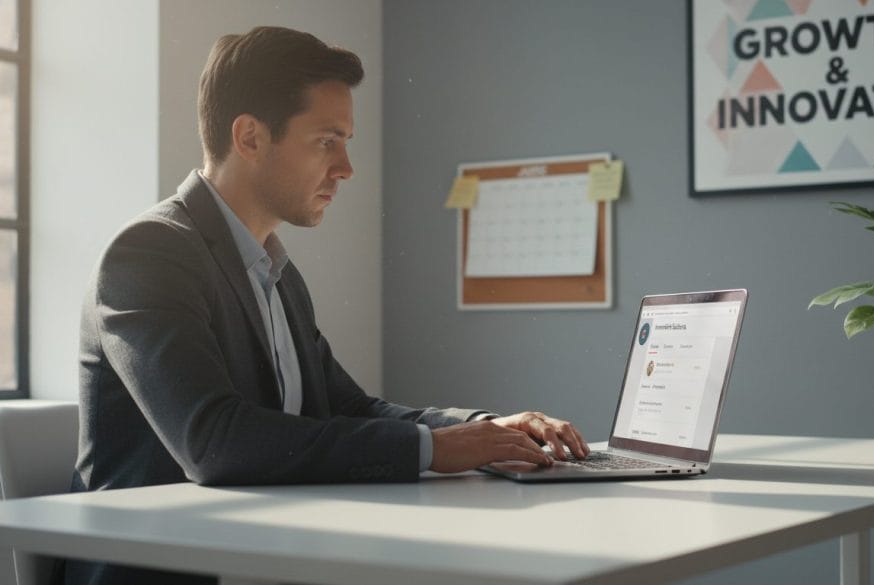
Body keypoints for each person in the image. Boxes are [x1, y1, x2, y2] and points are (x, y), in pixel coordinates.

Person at [63, 26, 588, 585]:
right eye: (326, 140)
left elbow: (349, 408)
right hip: (165, 572)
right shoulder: (149, 253)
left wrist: (485, 430)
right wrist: (434, 448)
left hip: (261, 556)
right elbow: (214, 442)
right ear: (250, 137)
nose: (346, 168)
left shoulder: (276, 273)